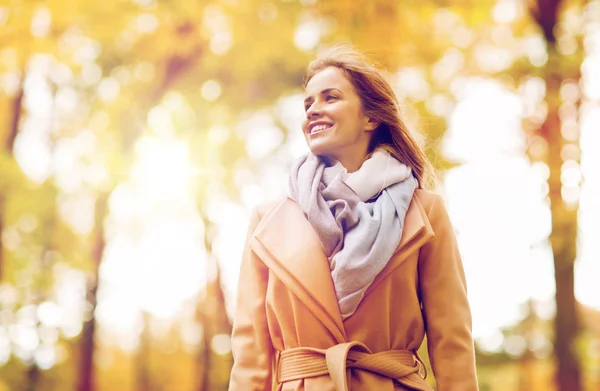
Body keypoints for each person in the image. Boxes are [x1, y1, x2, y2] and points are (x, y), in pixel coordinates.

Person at [228, 45, 478, 391]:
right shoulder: (268, 219)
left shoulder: (425, 210)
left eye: (330, 98)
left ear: (370, 118)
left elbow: (452, 340)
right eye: (308, 103)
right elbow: (250, 350)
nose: (314, 110)